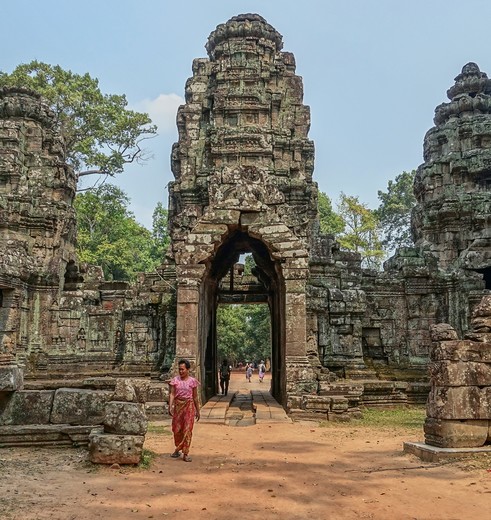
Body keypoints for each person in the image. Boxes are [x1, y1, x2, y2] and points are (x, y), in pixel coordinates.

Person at [168, 359, 200, 462]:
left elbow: (195, 397)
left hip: (189, 406)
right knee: (177, 429)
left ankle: (185, 452)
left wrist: (198, 410)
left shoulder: (192, 381)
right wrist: (170, 406)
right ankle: (178, 448)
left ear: (188, 369)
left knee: (187, 429)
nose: (181, 371)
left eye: (182, 369)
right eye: (179, 369)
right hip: (178, 406)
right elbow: (172, 394)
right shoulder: (175, 380)